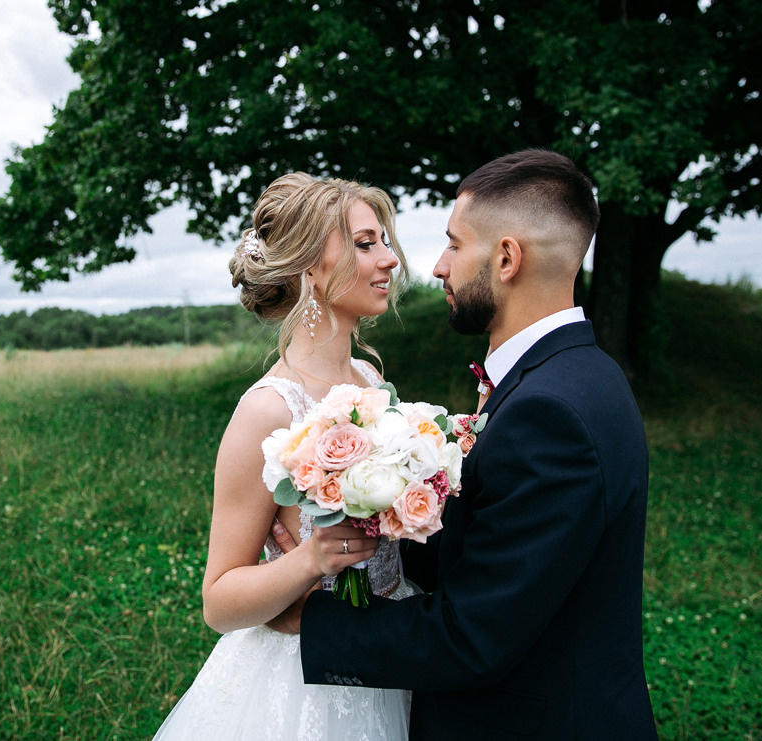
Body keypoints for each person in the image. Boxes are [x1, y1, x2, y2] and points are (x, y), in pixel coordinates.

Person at [278, 149, 658, 738]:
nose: (436, 266)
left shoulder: (549, 413)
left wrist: (310, 617)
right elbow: (495, 548)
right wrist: (369, 522)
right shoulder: (580, 374)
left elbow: (471, 637)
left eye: (455, 244)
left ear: (507, 258)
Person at [153, 172, 418, 739]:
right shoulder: (270, 411)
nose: (389, 259)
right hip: (301, 685)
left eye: (385, 241)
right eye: (365, 243)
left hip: (390, 649)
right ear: (310, 268)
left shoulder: (371, 379)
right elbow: (219, 602)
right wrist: (310, 560)